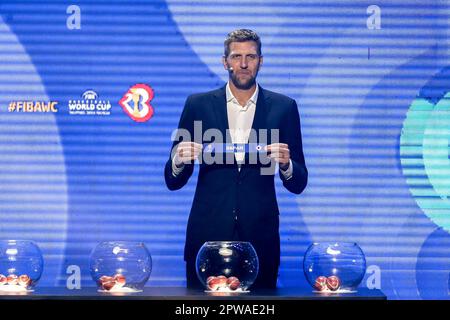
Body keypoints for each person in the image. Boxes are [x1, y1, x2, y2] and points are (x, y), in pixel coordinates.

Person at [164, 29, 308, 289]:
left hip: (260, 240)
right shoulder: (198, 105)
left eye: (251, 56)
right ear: (225, 61)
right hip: (207, 239)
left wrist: (286, 164)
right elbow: (173, 181)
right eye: (236, 56)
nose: (243, 64)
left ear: (260, 61)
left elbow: (298, 182)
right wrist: (178, 159)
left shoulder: (284, 107)